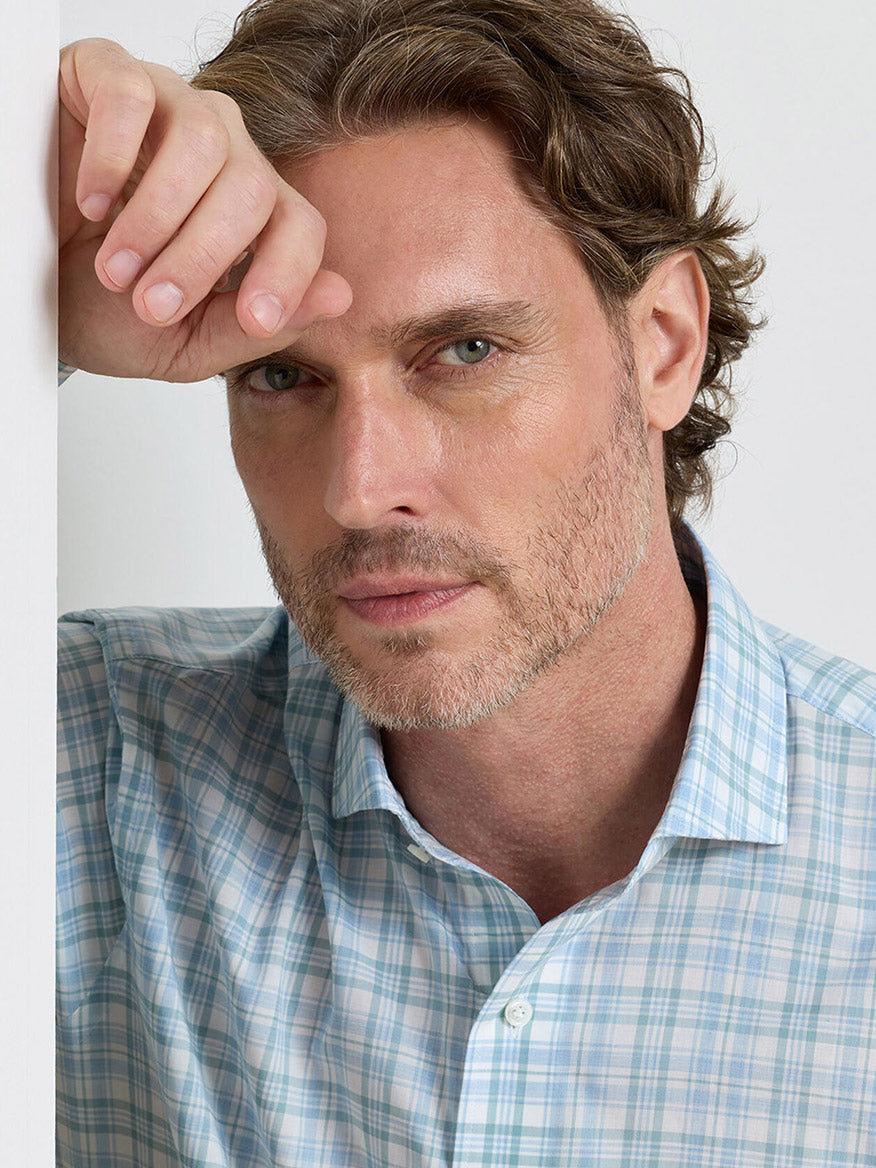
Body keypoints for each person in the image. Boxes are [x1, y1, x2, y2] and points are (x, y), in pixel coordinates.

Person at [56, 1, 876, 1164]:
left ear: (664, 346)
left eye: (466, 352)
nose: (359, 487)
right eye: (283, 374)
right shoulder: (92, 768)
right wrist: (17, 293)